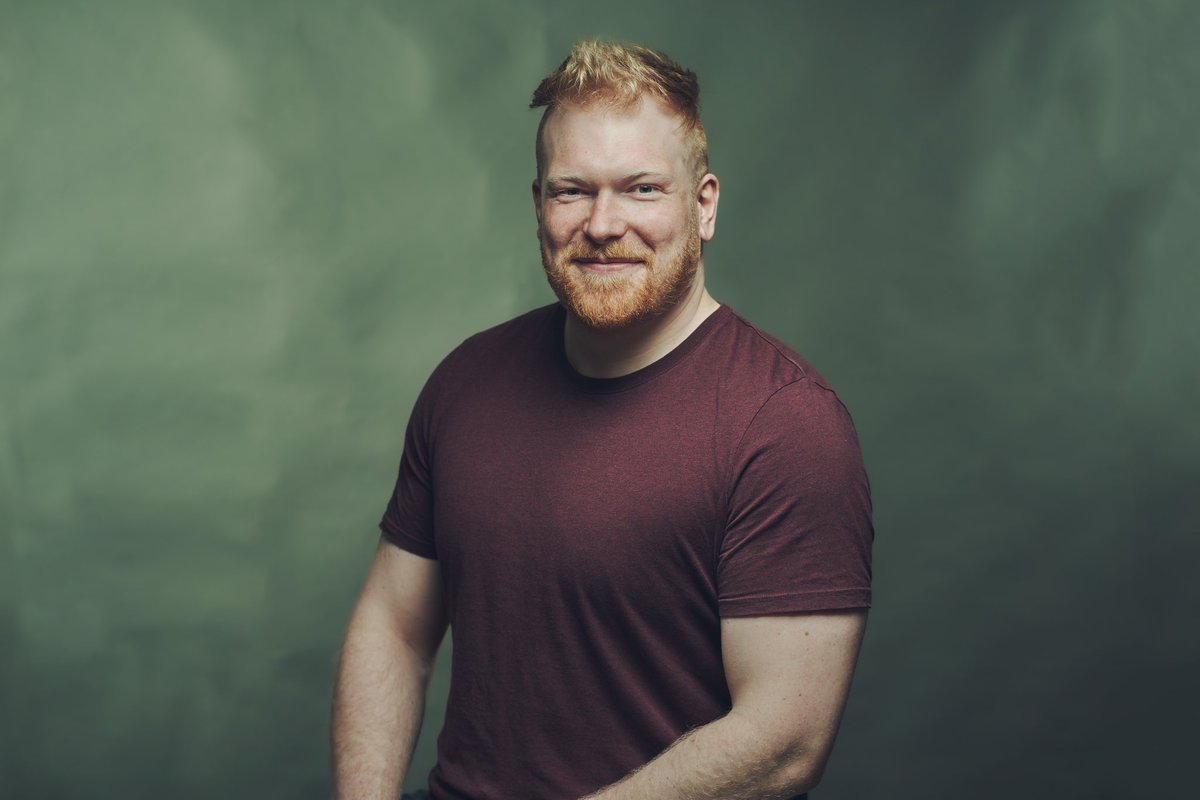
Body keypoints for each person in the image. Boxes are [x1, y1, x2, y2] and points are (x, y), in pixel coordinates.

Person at [331, 39, 873, 800]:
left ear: (704, 204)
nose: (603, 223)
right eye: (572, 190)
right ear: (539, 205)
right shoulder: (467, 381)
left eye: (643, 189)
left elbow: (782, 742)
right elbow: (392, 624)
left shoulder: (786, 425)